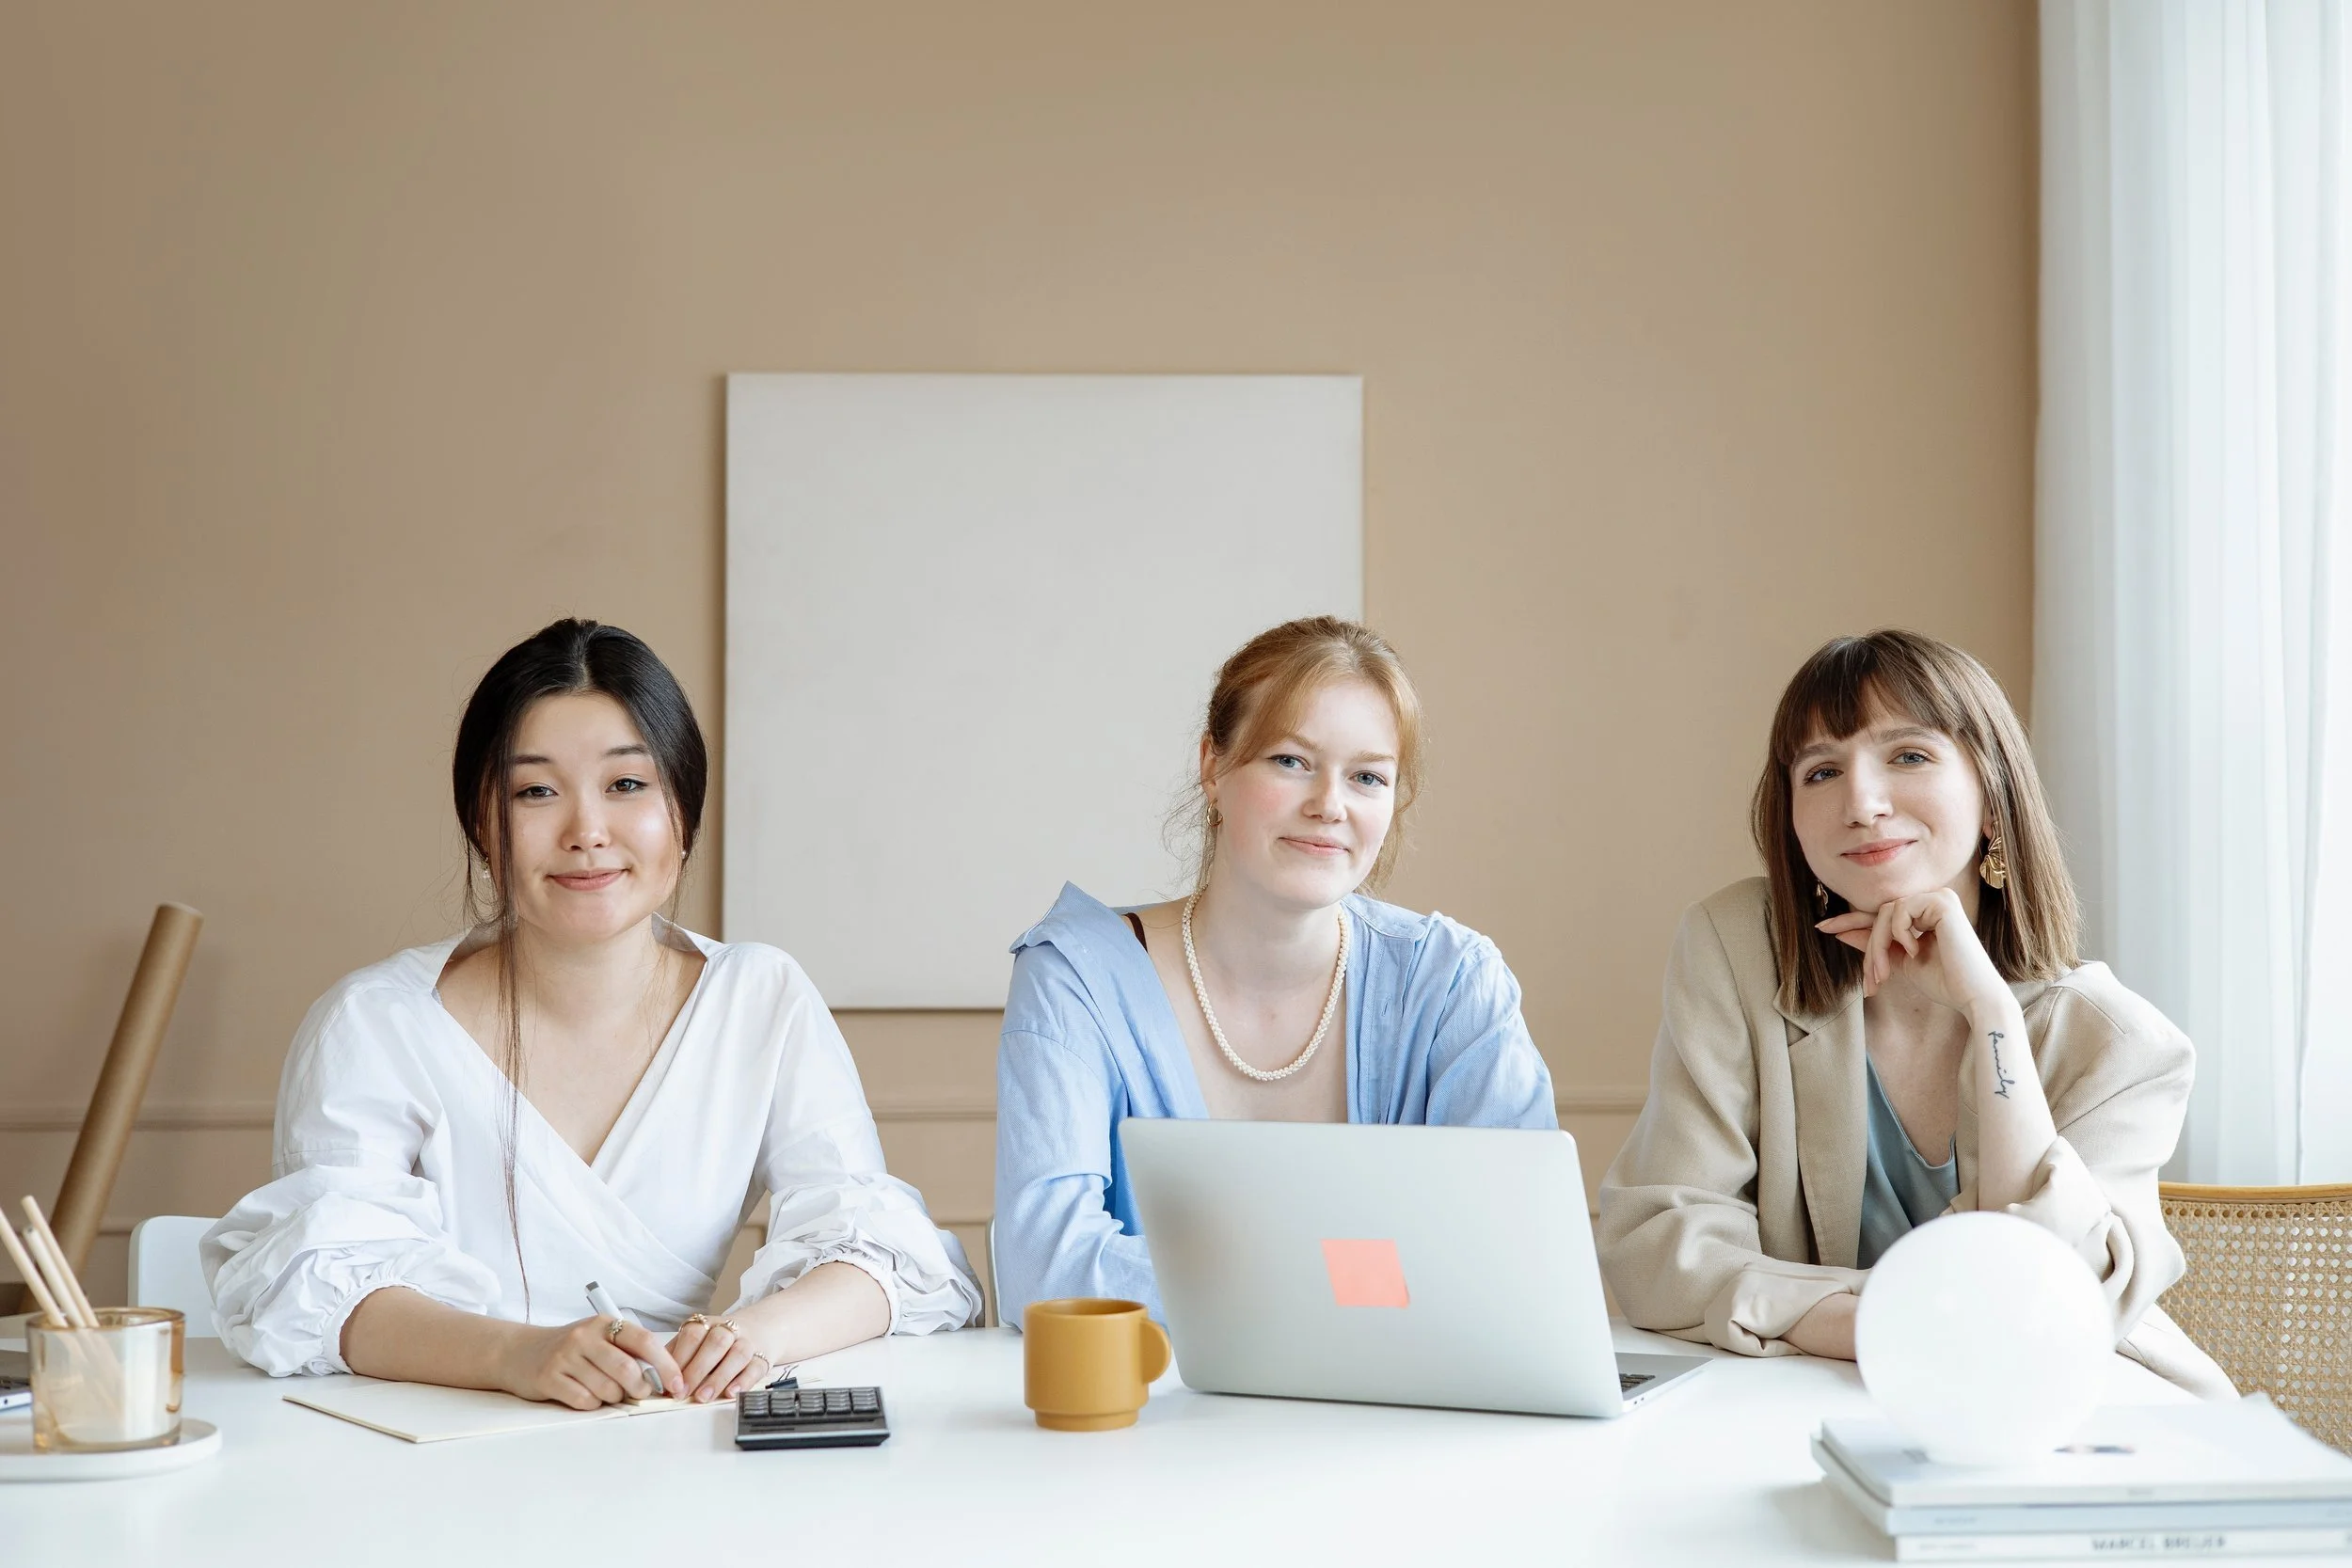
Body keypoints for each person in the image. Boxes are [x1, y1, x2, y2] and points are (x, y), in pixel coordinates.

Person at [206, 619, 980, 1407]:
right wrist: (518, 1356)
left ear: (685, 809)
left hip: (667, 1445)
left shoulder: (760, 997)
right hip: (436, 1452)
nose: (587, 832)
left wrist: (750, 1338)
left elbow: (882, 1252)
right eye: (536, 790)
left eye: (627, 785)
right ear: (482, 822)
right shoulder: (373, 1024)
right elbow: (316, 1287)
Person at [1597, 629, 2231, 1396]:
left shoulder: (2121, 1044)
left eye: (1909, 756)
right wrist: (1875, 1325)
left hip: (2078, 1419)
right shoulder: (1736, 949)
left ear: (1993, 800)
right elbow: (1660, 1240)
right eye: (1822, 770)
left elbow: (2049, 1297)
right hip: (1805, 1400)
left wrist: (1990, 1009)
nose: (1861, 803)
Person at [993, 616, 1557, 1324]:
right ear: (1212, 767)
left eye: (1367, 776)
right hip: (1156, 1424)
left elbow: (1516, 1251)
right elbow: (1043, 1268)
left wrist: (1243, 1281)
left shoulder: (1453, 981)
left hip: (1406, 1421)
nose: (1330, 804)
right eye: (1290, 761)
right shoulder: (1074, 977)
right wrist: (1348, 1283)